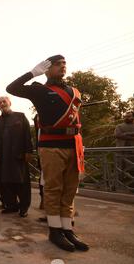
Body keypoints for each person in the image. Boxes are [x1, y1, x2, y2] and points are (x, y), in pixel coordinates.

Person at [6, 55, 89, 252]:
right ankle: (55, 230)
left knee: (70, 189)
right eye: (57, 64)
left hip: (73, 144)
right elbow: (11, 88)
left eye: (64, 64)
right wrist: (32, 73)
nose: (62, 67)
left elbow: (75, 120)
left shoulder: (73, 92)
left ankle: (68, 230)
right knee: (53, 189)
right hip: (51, 145)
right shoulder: (39, 89)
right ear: (47, 69)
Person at [0, 97, 33, 218]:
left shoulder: (20, 116)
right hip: (3, 157)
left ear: (10, 103)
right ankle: (11, 206)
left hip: (18, 157)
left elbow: (27, 135)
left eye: (4, 101)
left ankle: (24, 207)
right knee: (6, 183)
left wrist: (28, 151)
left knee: (22, 182)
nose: (2, 104)